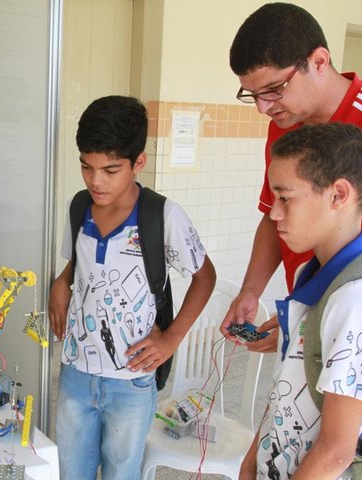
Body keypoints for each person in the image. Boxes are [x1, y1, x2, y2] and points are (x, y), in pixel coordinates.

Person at [221, 2, 362, 350]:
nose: (263, 107)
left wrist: (310, 319)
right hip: (316, 323)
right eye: (253, 94)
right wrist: (251, 291)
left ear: (319, 61)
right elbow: (274, 216)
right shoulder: (283, 127)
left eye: (273, 89)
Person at [48, 95, 216, 480]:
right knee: (72, 471)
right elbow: (79, 261)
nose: (95, 181)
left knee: (122, 472)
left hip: (132, 378)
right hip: (76, 371)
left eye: (110, 169)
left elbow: (205, 277)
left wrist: (171, 338)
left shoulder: (162, 216)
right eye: (86, 167)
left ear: (138, 162)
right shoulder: (79, 207)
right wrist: (62, 281)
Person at [241, 122, 362, 479]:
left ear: (338, 195)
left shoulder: (361, 300)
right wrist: (252, 459)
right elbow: (287, 389)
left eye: (285, 198)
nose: (273, 213)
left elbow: (335, 451)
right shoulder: (312, 273)